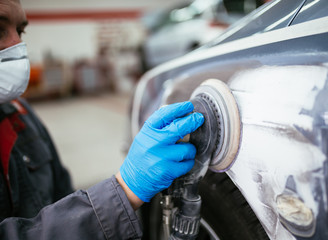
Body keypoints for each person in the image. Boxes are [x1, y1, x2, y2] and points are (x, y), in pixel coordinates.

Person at [0, 0, 205, 239]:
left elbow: (62, 198)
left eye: (21, 31)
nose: (18, 45)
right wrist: (124, 190)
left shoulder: (20, 115)